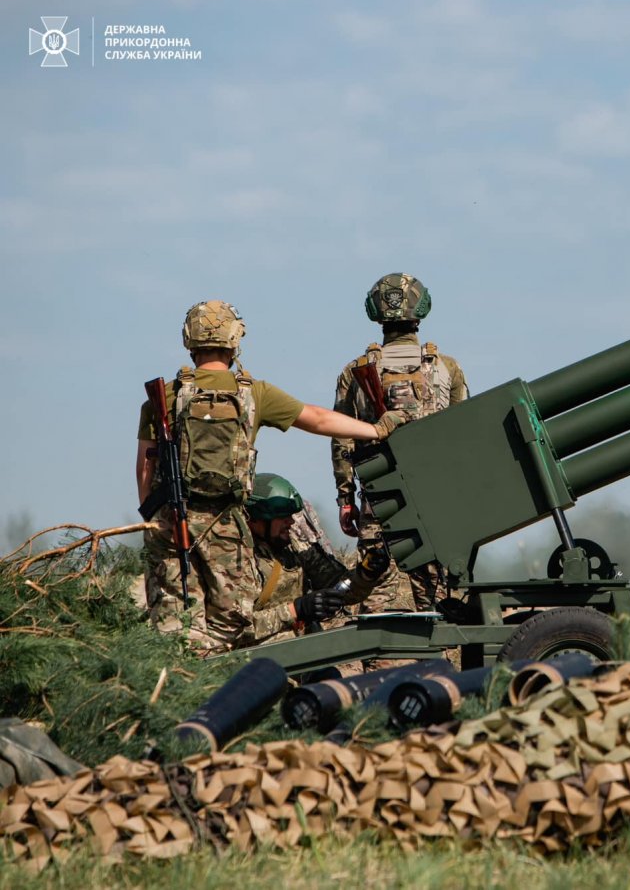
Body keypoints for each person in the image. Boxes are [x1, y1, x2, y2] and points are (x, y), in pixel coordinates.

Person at [136, 300, 409, 654]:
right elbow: (318, 418)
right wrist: (375, 429)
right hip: (226, 525)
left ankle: (178, 677)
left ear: (189, 340)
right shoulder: (255, 392)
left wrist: (155, 522)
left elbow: (145, 466)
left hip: (171, 520)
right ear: (235, 341)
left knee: (170, 623)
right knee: (233, 620)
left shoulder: (166, 397)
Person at [331, 273, 468, 614]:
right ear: (421, 309)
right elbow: (465, 434)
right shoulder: (447, 367)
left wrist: (345, 498)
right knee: (436, 601)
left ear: (374, 311)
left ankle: (379, 665)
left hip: (378, 498)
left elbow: (341, 437)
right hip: (435, 497)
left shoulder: (355, 372)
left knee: (375, 594)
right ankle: (439, 665)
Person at [244, 473, 386, 643]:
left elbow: (336, 587)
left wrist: (365, 575)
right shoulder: (234, 558)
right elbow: (233, 630)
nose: (290, 522)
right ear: (256, 519)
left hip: (306, 651)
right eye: (282, 516)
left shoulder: (295, 544)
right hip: (255, 662)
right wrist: (297, 609)